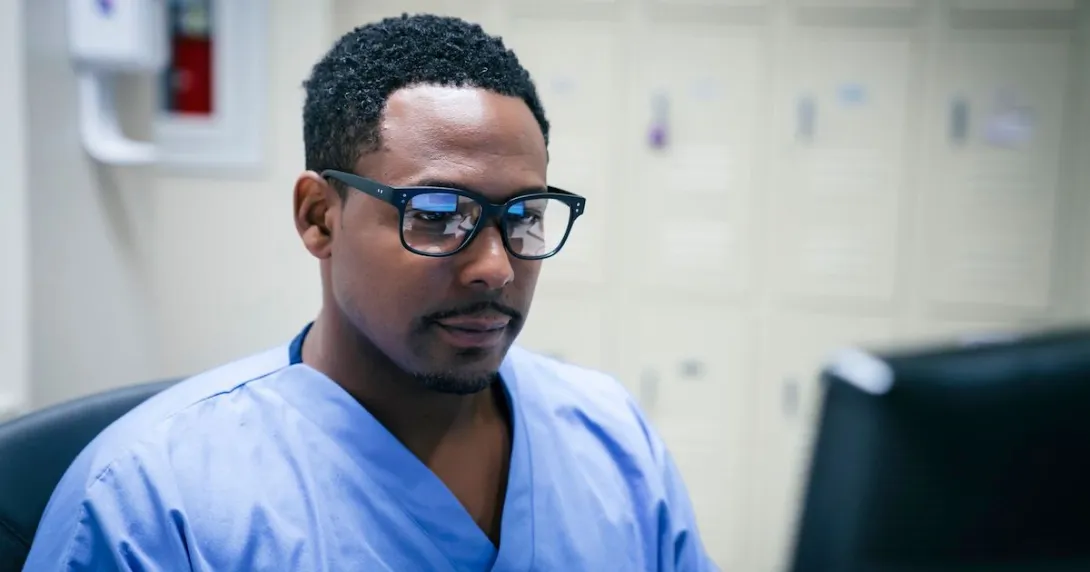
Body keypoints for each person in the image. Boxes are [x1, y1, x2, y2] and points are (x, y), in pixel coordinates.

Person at [24, 14, 716, 571]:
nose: (496, 268)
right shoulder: (149, 500)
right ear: (320, 217)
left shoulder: (614, 443)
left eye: (524, 217)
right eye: (439, 215)